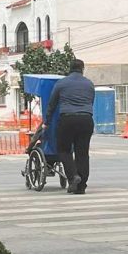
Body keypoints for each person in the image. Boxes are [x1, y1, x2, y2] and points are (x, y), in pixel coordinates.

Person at [45, 59, 95, 194]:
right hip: (86, 119)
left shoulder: (61, 83)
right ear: (82, 69)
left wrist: (47, 122)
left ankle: (73, 177)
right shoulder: (89, 84)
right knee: (82, 154)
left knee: (64, 150)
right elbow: (91, 102)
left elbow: (52, 104)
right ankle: (81, 187)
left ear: (70, 68)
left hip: (68, 119)